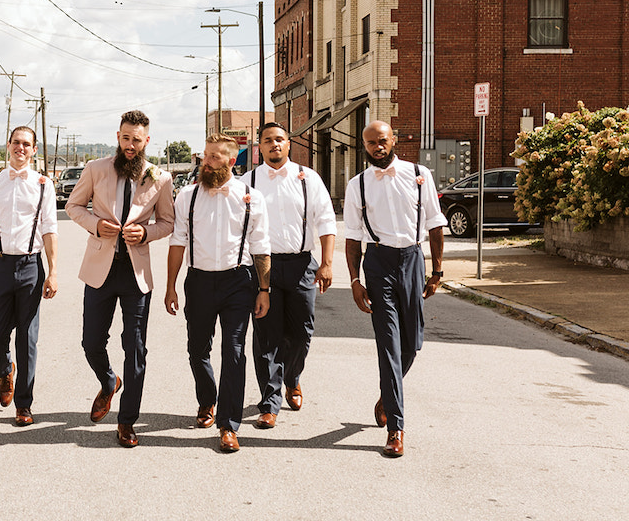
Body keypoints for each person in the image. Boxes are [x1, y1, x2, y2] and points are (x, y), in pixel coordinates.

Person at [66, 109, 175, 448]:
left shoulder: (161, 178)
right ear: (118, 137)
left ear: (146, 142)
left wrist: (145, 233)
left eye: (137, 140)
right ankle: (109, 380)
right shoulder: (95, 169)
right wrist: (96, 225)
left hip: (136, 275)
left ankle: (127, 422)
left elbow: (168, 223)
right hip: (100, 269)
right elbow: (73, 206)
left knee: (136, 349)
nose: (130, 145)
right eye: (125, 138)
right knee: (91, 343)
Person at [344, 120, 446, 458]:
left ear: (393, 140)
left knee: (412, 343)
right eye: (371, 143)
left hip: (413, 260)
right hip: (378, 264)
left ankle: (388, 393)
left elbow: (435, 224)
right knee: (388, 343)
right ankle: (396, 429)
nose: (377, 147)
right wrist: (355, 280)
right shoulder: (357, 185)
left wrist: (437, 271)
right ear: (365, 146)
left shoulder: (420, 176)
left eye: (382, 141)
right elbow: (352, 238)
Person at [165, 134, 271, 453]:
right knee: (197, 349)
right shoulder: (187, 196)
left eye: (214, 157)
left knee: (234, 351)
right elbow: (177, 242)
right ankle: (206, 399)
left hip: (238, 281)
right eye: (205, 155)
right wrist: (171, 285)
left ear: (230, 161)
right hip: (198, 280)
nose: (206, 161)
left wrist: (264, 288)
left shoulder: (251, 197)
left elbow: (261, 246)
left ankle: (228, 425)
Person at [243, 122, 336, 428]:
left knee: (302, 332)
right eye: (268, 140)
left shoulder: (308, 179)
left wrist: (326, 263)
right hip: (262, 267)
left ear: (288, 144)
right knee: (266, 336)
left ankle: (292, 377)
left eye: (280, 139)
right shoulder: (248, 182)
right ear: (260, 147)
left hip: (301, 265)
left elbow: (325, 221)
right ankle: (270, 402)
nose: (275, 145)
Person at [0, 126, 59, 426]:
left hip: (31, 267)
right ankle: (4, 366)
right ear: (7, 145)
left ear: (34, 149)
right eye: (16, 143)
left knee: (28, 338)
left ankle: (24, 404)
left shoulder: (43, 184)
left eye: (27, 144)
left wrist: (53, 272)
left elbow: (50, 228)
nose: (21, 148)